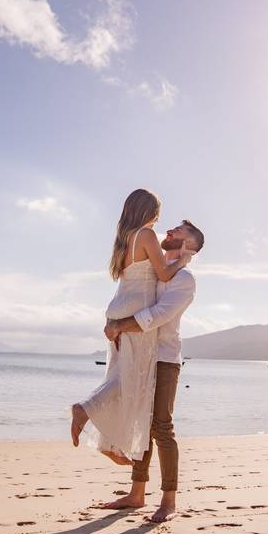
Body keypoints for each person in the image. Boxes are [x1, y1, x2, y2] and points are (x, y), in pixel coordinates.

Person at [70, 189, 194, 466]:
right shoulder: (146, 235)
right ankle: (87, 412)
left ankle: (111, 443)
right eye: (158, 212)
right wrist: (184, 261)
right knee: (132, 381)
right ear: (150, 211)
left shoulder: (124, 239)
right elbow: (163, 273)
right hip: (135, 311)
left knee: (119, 377)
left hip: (118, 307)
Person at [98, 220, 204, 523]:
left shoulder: (184, 279)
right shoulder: (157, 270)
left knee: (161, 427)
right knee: (140, 421)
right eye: (171, 229)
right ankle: (137, 494)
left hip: (165, 358)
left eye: (178, 233)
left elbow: (158, 315)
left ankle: (169, 500)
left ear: (189, 246)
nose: (168, 232)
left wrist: (120, 325)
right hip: (139, 355)